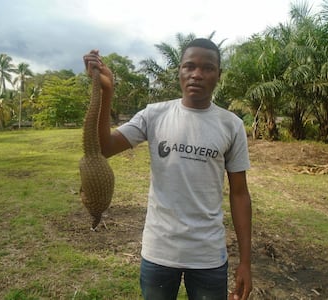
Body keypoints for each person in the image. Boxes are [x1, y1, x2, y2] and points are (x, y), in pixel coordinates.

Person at [83, 38, 252, 300]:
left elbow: (240, 194)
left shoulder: (231, 125)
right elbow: (104, 148)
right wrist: (107, 92)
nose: (197, 74)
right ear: (179, 71)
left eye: (207, 68)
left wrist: (245, 262)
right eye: (189, 66)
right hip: (159, 251)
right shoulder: (154, 115)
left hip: (208, 254)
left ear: (219, 75)